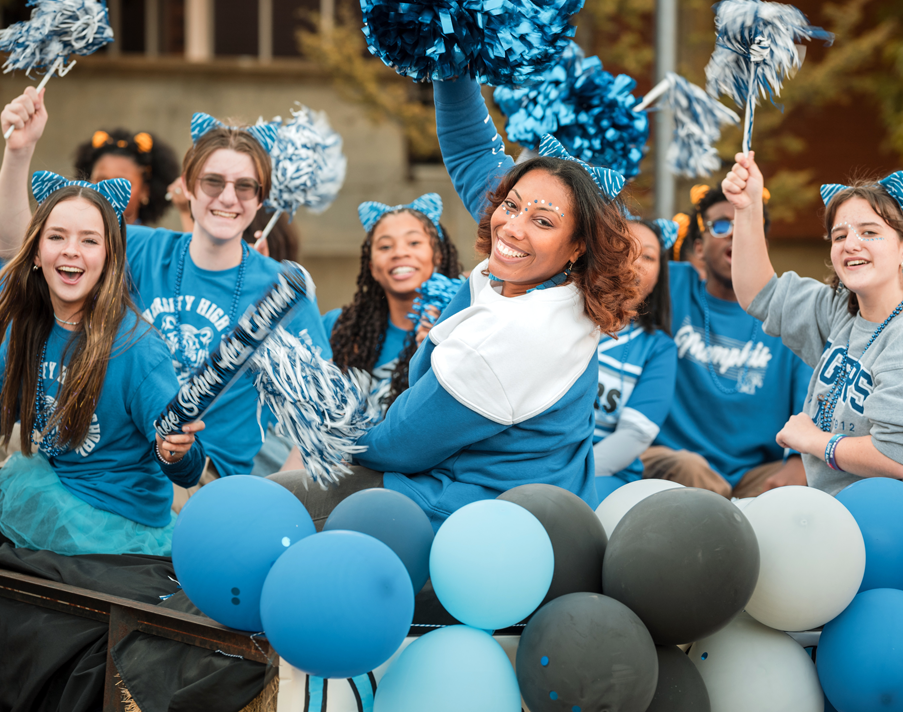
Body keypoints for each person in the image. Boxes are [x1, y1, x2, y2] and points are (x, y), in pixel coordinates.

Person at [271, 76, 641, 530]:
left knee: (264, 507)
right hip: (496, 504)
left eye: (542, 220)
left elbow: (399, 444)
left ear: (578, 245)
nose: (511, 228)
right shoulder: (550, 280)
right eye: (511, 204)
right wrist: (450, 54)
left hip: (469, 525)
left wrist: (326, 422)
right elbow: (473, 153)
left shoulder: (519, 335)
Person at [0, 103, 331, 483]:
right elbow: (14, 247)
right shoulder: (137, 247)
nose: (228, 198)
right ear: (187, 185)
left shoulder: (281, 291)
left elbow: (319, 415)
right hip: (103, 455)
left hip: (198, 480)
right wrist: (18, 152)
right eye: (213, 181)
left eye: (245, 186)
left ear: (261, 198)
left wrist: (275, 499)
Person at [0, 174, 204, 555]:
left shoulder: (138, 348)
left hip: (111, 521)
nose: (72, 250)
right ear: (36, 252)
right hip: (53, 488)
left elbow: (186, 465)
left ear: (110, 257)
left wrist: (177, 451)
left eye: (89, 240)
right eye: (57, 237)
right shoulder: (28, 326)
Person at [724, 154, 903, 532]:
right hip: (837, 521)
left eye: (870, 232)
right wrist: (747, 208)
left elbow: (895, 457)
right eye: (840, 235)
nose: (851, 244)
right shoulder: (843, 312)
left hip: (901, 538)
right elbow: (758, 294)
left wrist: (814, 440)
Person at [641, 182, 812, 498]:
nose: (735, 233)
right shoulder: (668, 285)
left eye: (749, 224)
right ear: (700, 247)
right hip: (674, 466)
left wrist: (800, 461)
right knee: (689, 471)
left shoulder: (792, 313)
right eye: (721, 225)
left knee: (809, 487)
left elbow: (811, 405)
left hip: (756, 473)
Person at [325, 193, 461, 408]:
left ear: (438, 256)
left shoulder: (459, 327)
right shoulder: (336, 328)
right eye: (385, 247)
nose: (399, 253)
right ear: (372, 268)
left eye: (414, 242)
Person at [593, 217, 678, 502]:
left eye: (649, 256)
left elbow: (634, 435)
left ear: (658, 279)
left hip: (603, 475)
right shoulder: (561, 312)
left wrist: (570, 474)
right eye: (624, 247)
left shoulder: (658, 349)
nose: (635, 261)